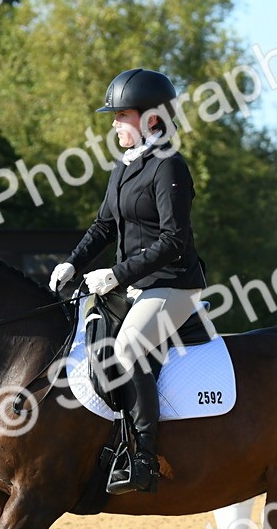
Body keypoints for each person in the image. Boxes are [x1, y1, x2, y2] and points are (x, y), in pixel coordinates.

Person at [49, 68, 206, 495]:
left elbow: (174, 242)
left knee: (129, 346)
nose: (114, 123)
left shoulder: (169, 167)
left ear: (152, 119)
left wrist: (115, 274)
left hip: (172, 285)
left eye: (122, 115)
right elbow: (103, 226)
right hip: (129, 285)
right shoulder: (124, 168)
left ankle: (143, 458)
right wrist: (73, 264)